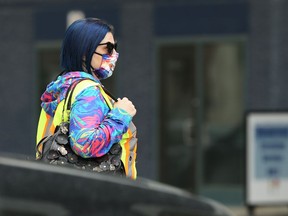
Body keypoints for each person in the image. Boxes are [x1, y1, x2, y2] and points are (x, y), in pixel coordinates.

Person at [36, 18, 138, 179]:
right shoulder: (88, 91)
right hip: (96, 192)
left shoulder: (65, 88)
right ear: (84, 52)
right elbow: (85, 144)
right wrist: (121, 114)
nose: (114, 54)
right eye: (108, 48)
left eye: (115, 47)